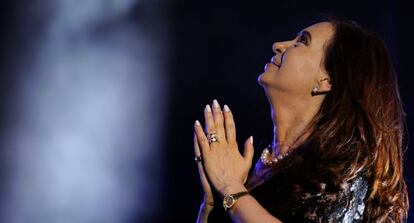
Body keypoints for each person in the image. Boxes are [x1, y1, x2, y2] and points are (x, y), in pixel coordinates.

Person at [193, 17, 409, 222]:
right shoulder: (255, 171)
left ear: (326, 79)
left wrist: (231, 189)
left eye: (301, 42)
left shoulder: (341, 177)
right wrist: (211, 206)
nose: (278, 45)